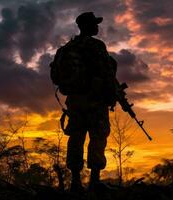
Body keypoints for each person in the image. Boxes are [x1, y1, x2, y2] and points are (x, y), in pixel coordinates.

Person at [63, 12, 117, 192]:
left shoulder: (68, 47)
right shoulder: (96, 46)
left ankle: (75, 182)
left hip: (75, 102)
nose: (97, 27)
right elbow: (107, 73)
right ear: (87, 26)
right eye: (95, 24)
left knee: (76, 137)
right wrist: (112, 95)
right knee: (98, 136)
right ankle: (94, 181)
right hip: (95, 100)